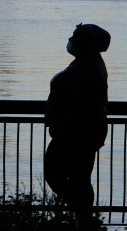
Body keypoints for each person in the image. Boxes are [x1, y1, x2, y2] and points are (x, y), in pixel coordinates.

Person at [45, 23, 111, 230]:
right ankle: (84, 217)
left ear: (85, 43)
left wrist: (64, 131)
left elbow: (79, 106)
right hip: (82, 133)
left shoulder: (86, 68)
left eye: (75, 37)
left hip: (75, 135)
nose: (70, 40)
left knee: (57, 173)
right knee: (80, 177)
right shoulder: (89, 64)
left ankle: (82, 214)